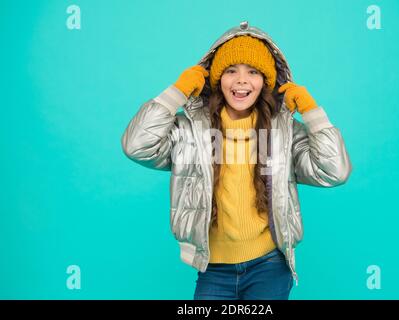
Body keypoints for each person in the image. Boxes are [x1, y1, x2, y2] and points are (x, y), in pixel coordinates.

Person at [121, 21, 352, 300]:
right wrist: (175, 94)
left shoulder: (284, 133)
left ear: (266, 81)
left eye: (253, 72)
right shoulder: (189, 132)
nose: (241, 80)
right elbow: (137, 146)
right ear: (217, 79)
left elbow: (333, 171)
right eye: (231, 71)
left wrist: (312, 112)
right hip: (213, 268)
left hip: (269, 265)